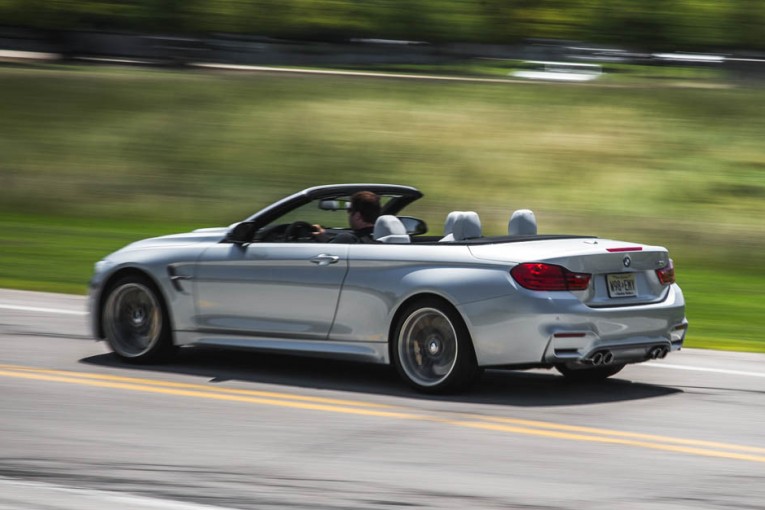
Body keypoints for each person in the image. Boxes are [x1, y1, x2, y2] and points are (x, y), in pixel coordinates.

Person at [314, 191, 381, 243]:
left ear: (358, 216)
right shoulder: (384, 238)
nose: (348, 213)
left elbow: (326, 254)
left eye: (349, 210)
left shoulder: (347, 239)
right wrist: (325, 238)